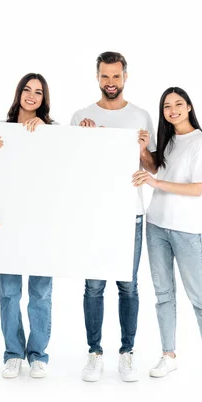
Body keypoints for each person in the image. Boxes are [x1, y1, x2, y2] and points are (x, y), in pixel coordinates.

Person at [71, 51, 157, 382]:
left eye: (116, 76)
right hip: (93, 214)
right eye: (105, 76)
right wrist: (82, 138)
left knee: (128, 286)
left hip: (129, 215)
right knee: (93, 286)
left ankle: (127, 353)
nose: (111, 82)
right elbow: (70, 167)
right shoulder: (81, 115)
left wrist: (140, 150)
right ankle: (94, 353)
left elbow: (151, 168)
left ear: (125, 77)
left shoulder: (140, 116)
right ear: (97, 77)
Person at [132, 87, 202, 384]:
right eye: (166, 106)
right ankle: (168, 355)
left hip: (187, 231)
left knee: (199, 297)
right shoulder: (169, 140)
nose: (172, 110)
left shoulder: (200, 143)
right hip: (156, 226)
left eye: (177, 105)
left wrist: (155, 183)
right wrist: (143, 151)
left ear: (188, 107)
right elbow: (157, 168)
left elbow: (196, 188)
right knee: (163, 296)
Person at [0, 73, 56, 380]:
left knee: (40, 292)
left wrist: (44, 134)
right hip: (9, 219)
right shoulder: (1, 128)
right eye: (27, 90)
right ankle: (13, 354)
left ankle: (37, 354)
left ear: (43, 99)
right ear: (19, 93)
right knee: (9, 292)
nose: (31, 96)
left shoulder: (52, 130)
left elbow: (64, 170)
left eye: (38, 92)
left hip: (42, 221)